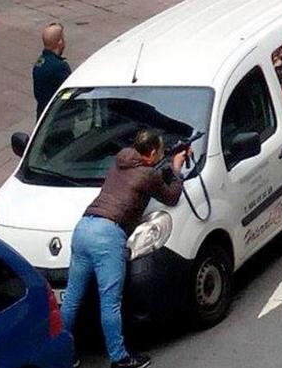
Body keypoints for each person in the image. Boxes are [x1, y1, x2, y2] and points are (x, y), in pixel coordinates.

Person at [61, 130, 188, 368]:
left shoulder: (121, 159)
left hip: (84, 227)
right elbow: (172, 196)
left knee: (72, 298)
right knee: (110, 302)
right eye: (159, 151)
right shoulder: (149, 174)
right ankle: (120, 357)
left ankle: (62, 354)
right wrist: (176, 169)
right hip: (108, 235)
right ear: (151, 153)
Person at [33, 22, 72, 120]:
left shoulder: (39, 62)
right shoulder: (59, 67)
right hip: (57, 118)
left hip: (42, 114)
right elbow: (69, 91)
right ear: (59, 42)